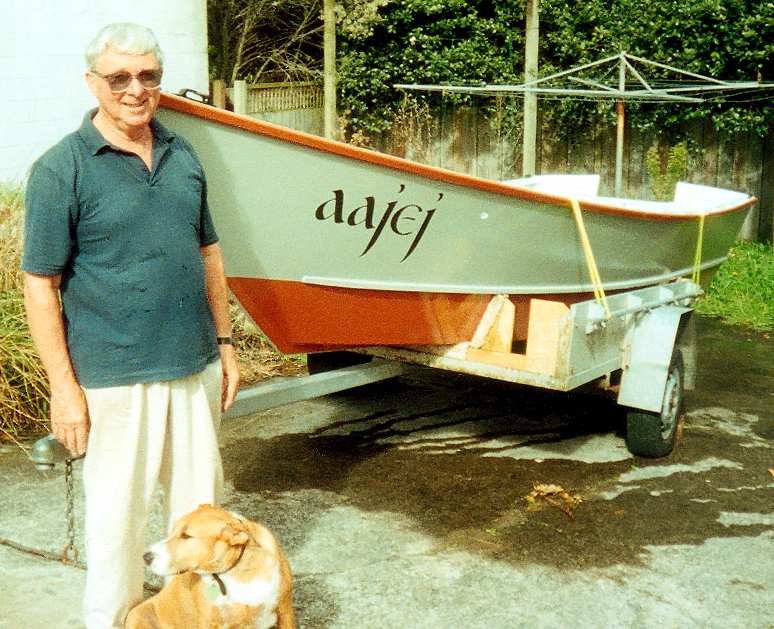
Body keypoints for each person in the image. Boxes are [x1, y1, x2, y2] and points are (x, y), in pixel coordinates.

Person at [22, 22, 240, 629]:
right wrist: (64, 390)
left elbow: (209, 254)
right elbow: (40, 285)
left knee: (201, 527)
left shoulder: (182, 152)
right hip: (114, 379)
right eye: (119, 77)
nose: (135, 89)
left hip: (194, 366)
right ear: (93, 82)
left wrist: (225, 344)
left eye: (148, 76)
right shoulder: (60, 169)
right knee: (117, 531)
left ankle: (193, 621)